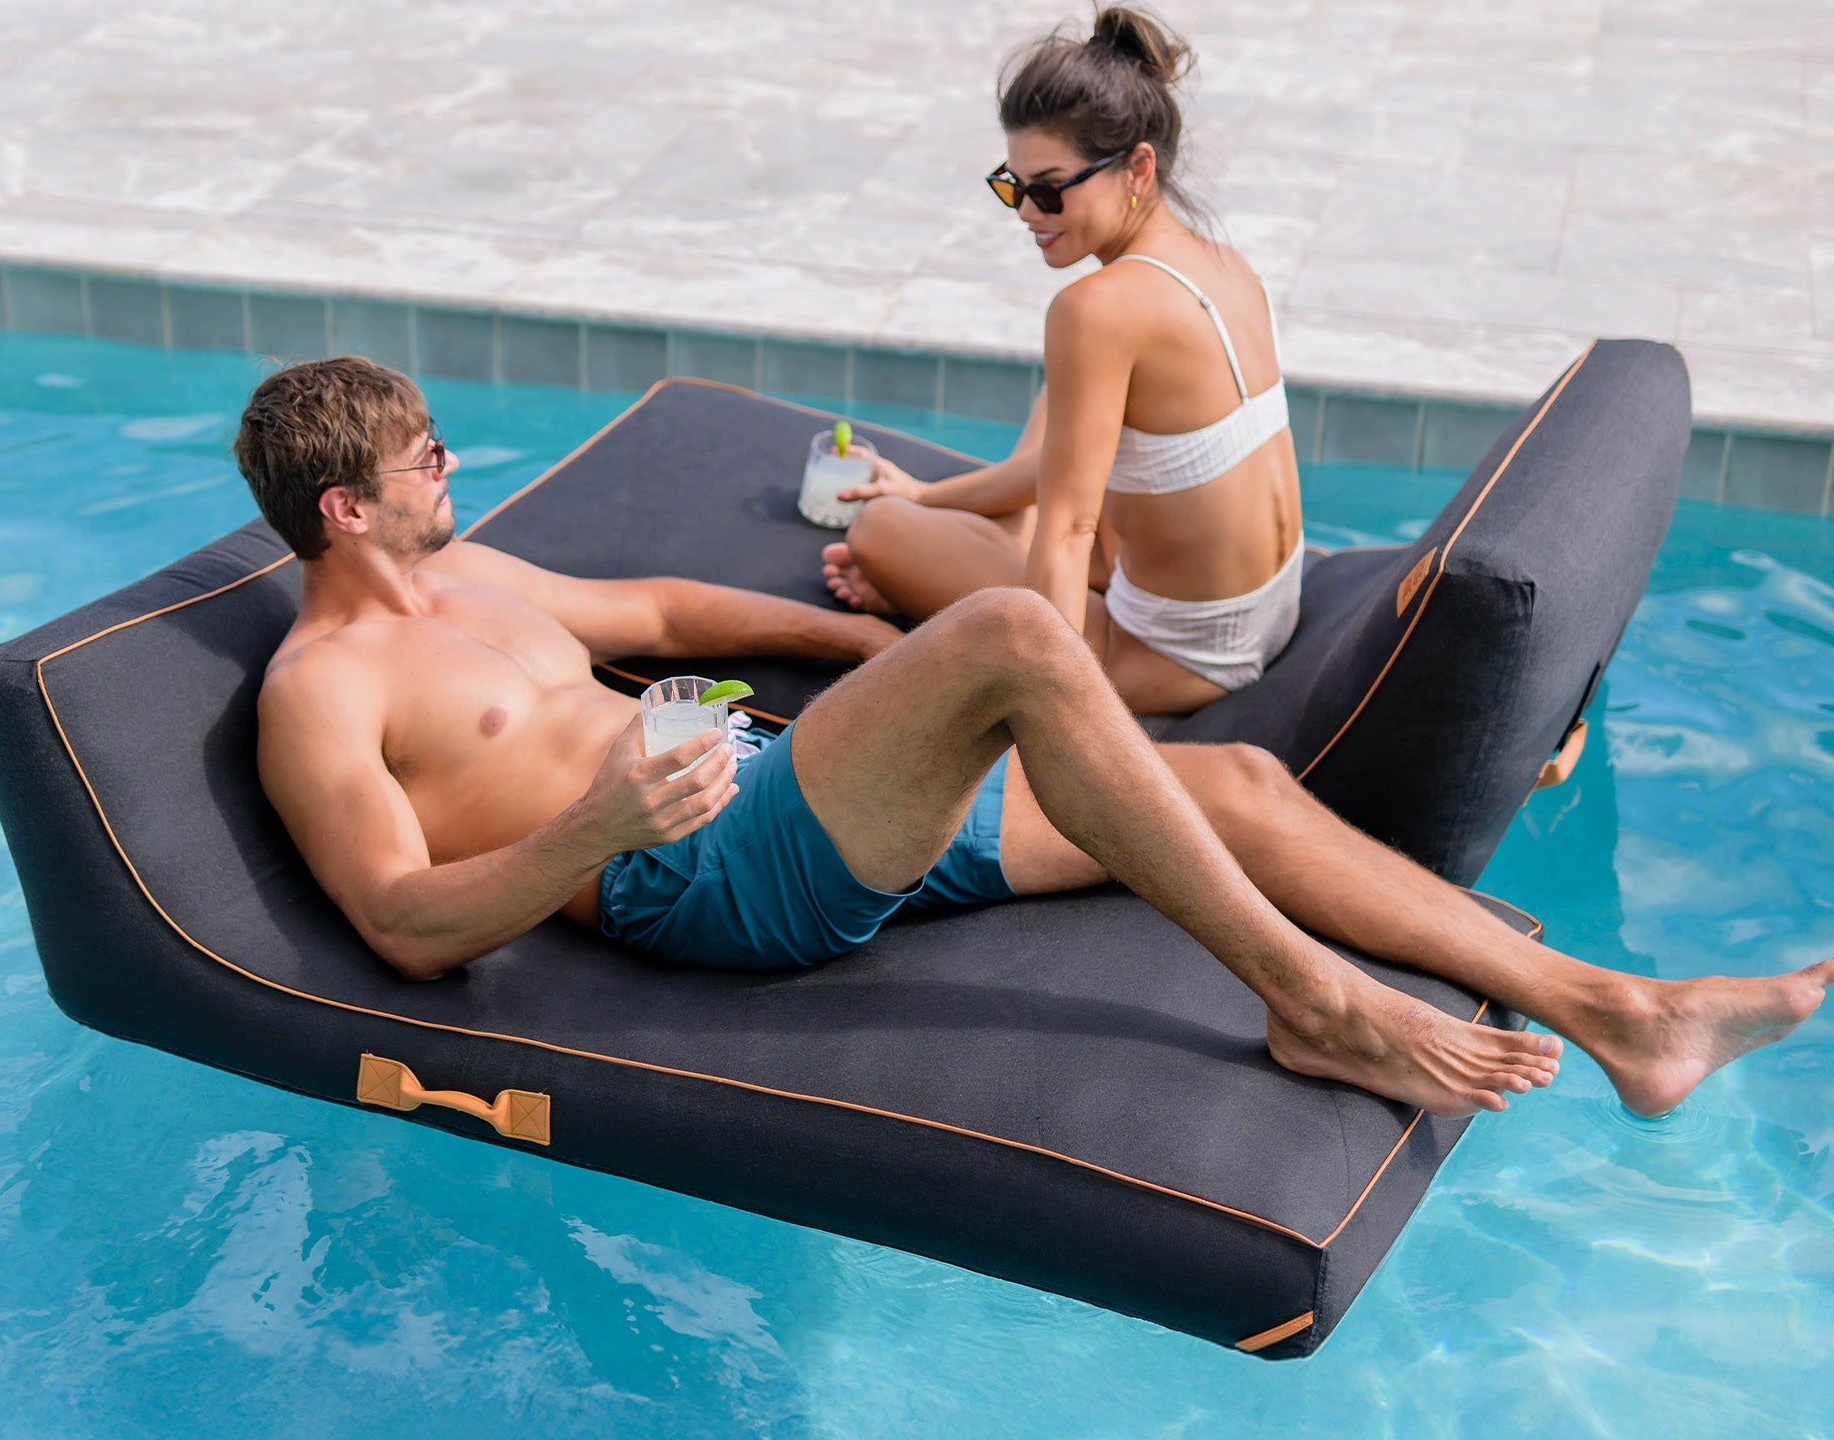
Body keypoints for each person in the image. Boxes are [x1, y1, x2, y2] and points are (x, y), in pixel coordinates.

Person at [236, 357, 1827, 1123]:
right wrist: (597, 832)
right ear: (341, 508)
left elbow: (653, 610)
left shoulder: (478, 570)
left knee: (1243, 789)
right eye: (424, 456)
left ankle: (1629, 1017)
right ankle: (1318, 1004)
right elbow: (398, 925)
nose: (453, 465)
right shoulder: (323, 694)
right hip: (695, 887)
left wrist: (862, 642)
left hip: (790, 797)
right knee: (1007, 635)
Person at [823, 4, 1302, 715]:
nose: (1026, 213)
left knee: (877, 531)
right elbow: (1069, 473)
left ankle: (956, 551)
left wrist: (1052, 708)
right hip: (1267, 616)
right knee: (1062, 407)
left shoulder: (1098, 310)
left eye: (1047, 188)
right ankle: (965, 530)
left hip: (1177, 660)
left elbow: (1071, 528)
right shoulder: (1226, 265)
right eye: (1010, 186)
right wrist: (926, 493)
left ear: (1138, 167)